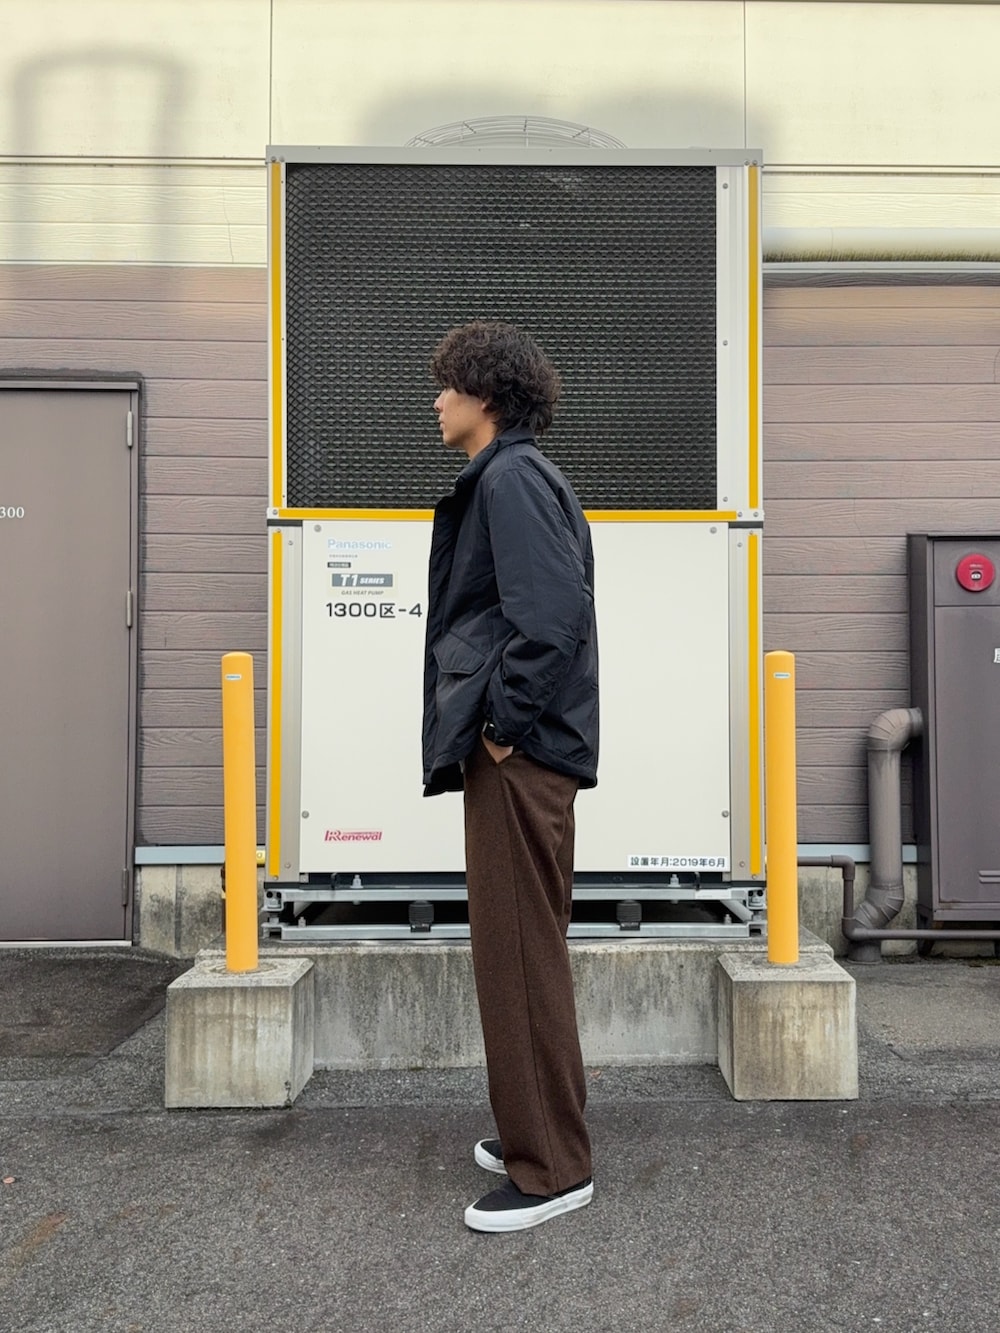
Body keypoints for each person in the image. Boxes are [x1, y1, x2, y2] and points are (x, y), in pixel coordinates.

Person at [421, 320, 599, 1233]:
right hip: (526, 753)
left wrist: (498, 728)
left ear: (485, 396)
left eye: (448, 384)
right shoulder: (512, 475)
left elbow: (553, 617)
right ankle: (541, 1127)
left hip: (520, 756)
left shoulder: (512, 479)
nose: (436, 399)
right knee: (526, 950)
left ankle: (551, 1168)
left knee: (519, 955)